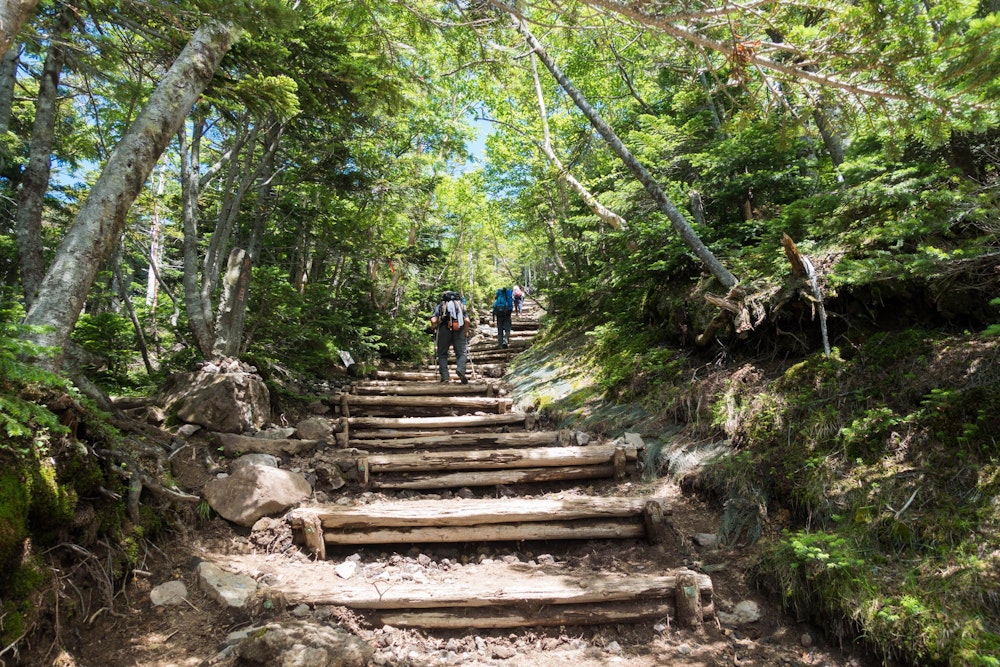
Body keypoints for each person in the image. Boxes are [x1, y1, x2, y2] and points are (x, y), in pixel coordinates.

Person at [430, 290, 469, 383]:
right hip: (459, 328)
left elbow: (433, 320)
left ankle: (445, 377)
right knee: (461, 353)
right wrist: (466, 332)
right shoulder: (460, 306)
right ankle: (461, 370)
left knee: (442, 354)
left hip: (444, 329)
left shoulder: (440, 306)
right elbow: (467, 320)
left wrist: (433, 327)